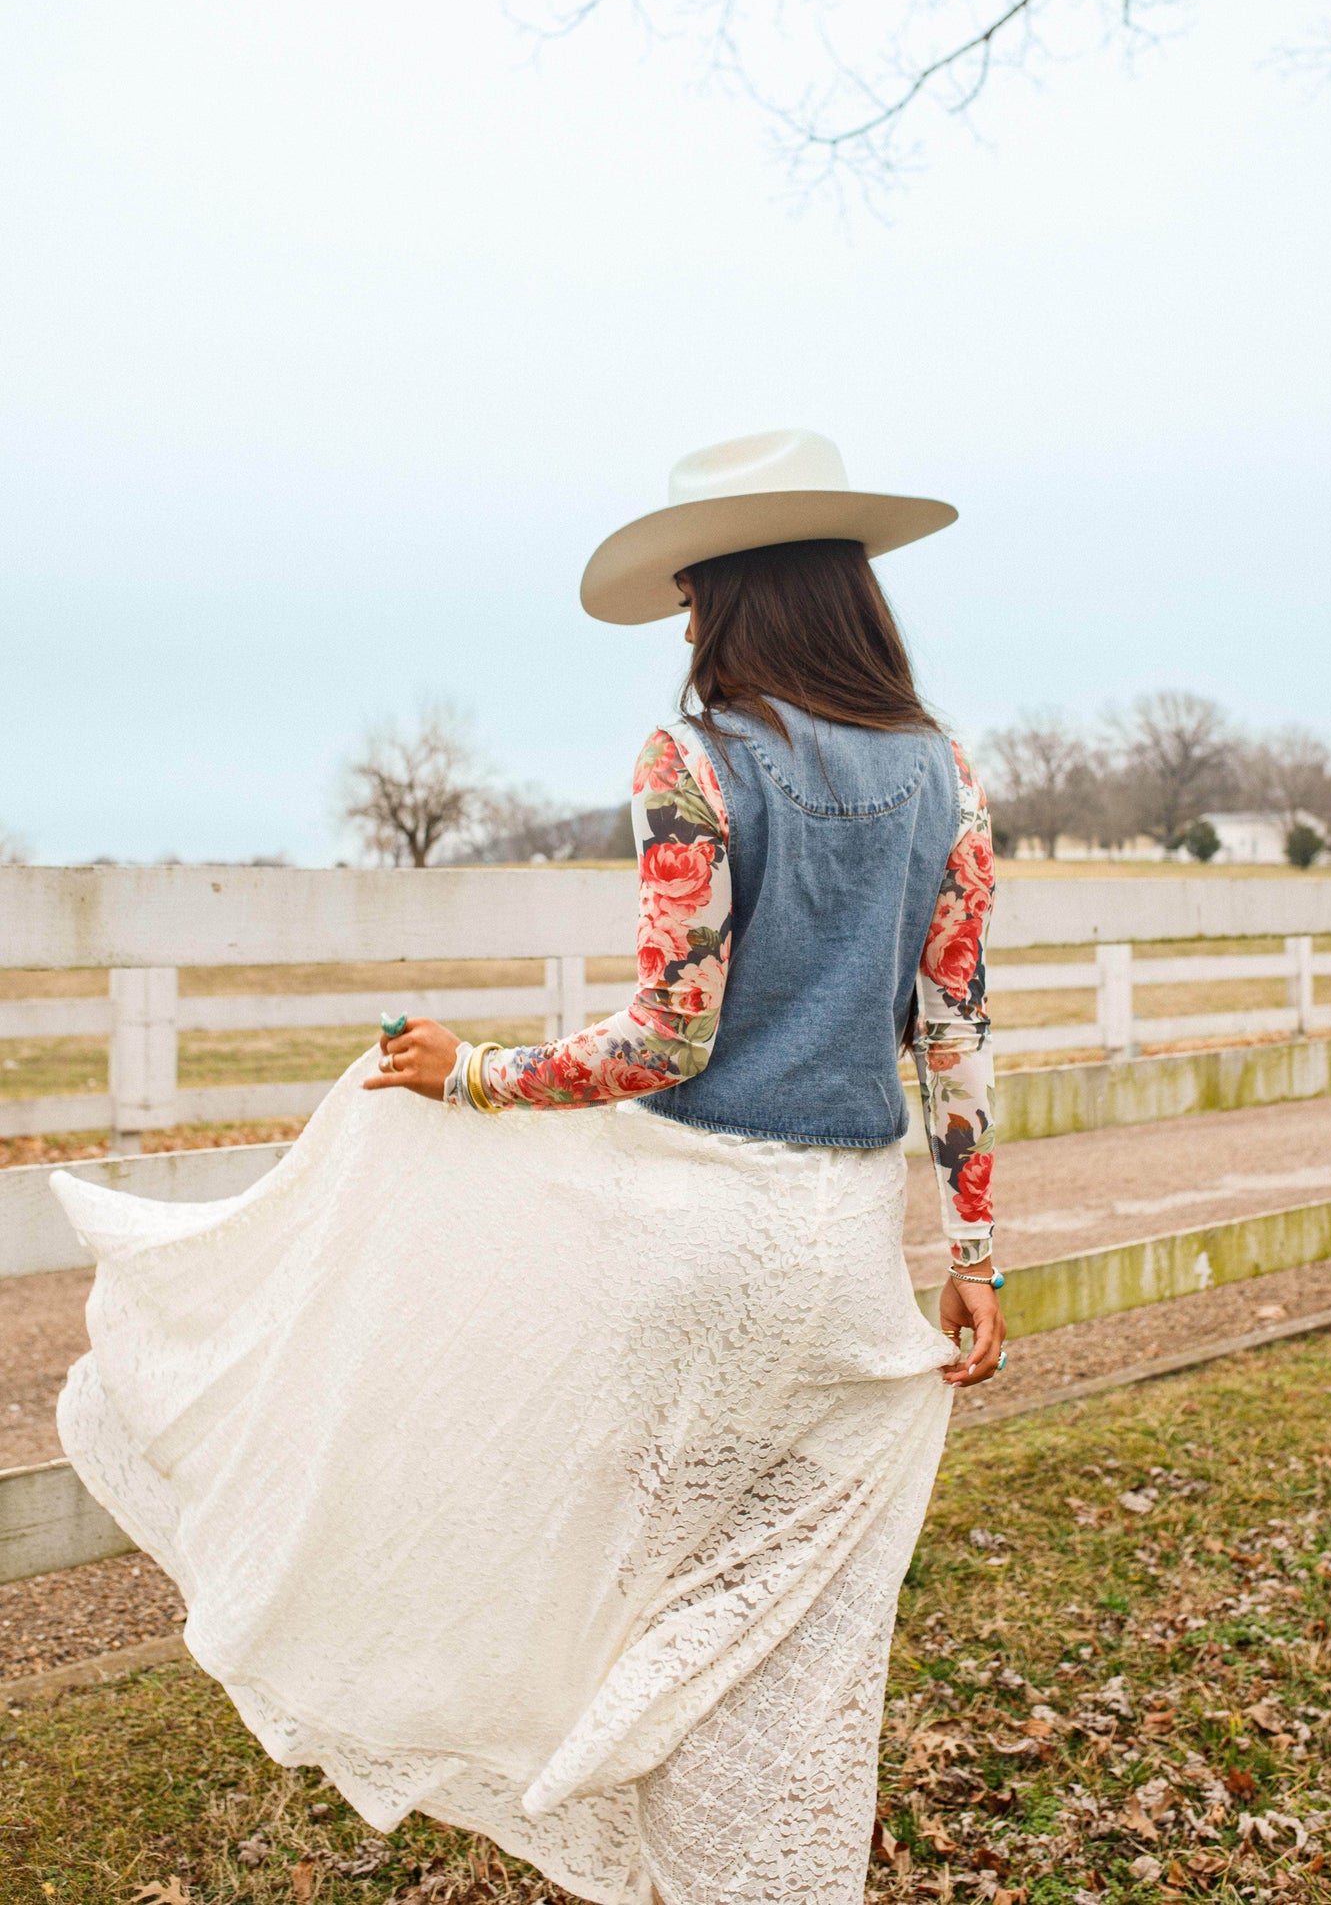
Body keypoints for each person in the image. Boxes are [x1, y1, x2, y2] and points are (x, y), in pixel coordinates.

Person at [52, 428, 1004, 1905]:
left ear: (745, 595)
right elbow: (953, 1034)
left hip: (689, 1238)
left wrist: (475, 1074)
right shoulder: (942, 773)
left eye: (693, 592)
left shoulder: (695, 758)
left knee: (631, 1598)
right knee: (785, 1636)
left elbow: (668, 1038)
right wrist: (975, 1260)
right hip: (837, 1259)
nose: (684, 623)